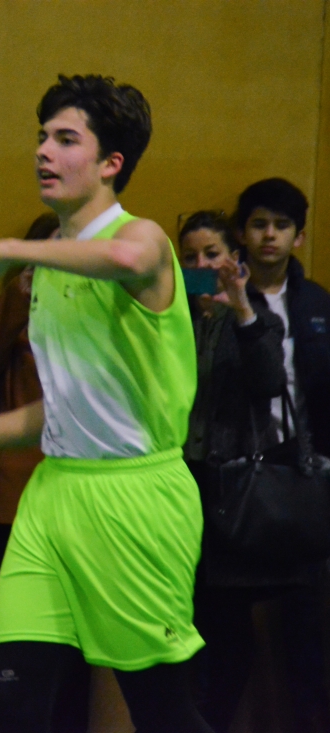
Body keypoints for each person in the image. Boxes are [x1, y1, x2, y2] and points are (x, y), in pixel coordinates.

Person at [0, 75, 212, 733]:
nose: (43, 151)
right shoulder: (52, 270)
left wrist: (7, 249)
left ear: (111, 162)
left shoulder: (143, 238)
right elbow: (61, 412)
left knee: (161, 710)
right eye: (42, 137)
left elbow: (123, 257)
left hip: (136, 499)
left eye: (65, 139)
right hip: (52, 494)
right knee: (15, 702)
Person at [0, 211, 91, 733]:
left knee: (76, 656)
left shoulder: (103, 315)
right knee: (18, 657)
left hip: (84, 502)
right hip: (16, 502)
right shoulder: (13, 308)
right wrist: (24, 287)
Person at [175, 209, 293, 732]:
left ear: (234, 260)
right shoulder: (168, 320)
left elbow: (270, 382)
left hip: (232, 489)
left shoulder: (258, 317)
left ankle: (213, 721)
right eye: (190, 257)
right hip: (176, 485)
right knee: (179, 614)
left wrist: (240, 306)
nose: (202, 266)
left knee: (227, 621)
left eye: (212, 254)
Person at [235, 179, 330, 733]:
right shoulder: (219, 297)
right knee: (225, 636)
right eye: (258, 224)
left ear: (299, 237)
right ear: (242, 232)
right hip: (235, 474)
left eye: (281, 225)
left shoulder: (317, 304)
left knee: (306, 635)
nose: (269, 235)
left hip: (303, 476)